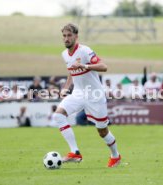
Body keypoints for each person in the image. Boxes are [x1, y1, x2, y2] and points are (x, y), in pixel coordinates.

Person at [51, 23, 121, 168]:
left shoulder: (85, 51)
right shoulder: (64, 54)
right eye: (64, 36)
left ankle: (115, 155)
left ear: (76, 37)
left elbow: (104, 66)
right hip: (78, 93)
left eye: (69, 35)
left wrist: (85, 66)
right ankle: (75, 152)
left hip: (95, 95)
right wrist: (66, 88)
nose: (66, 39)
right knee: (58, 115)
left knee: (102, 131)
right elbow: (71, 71)